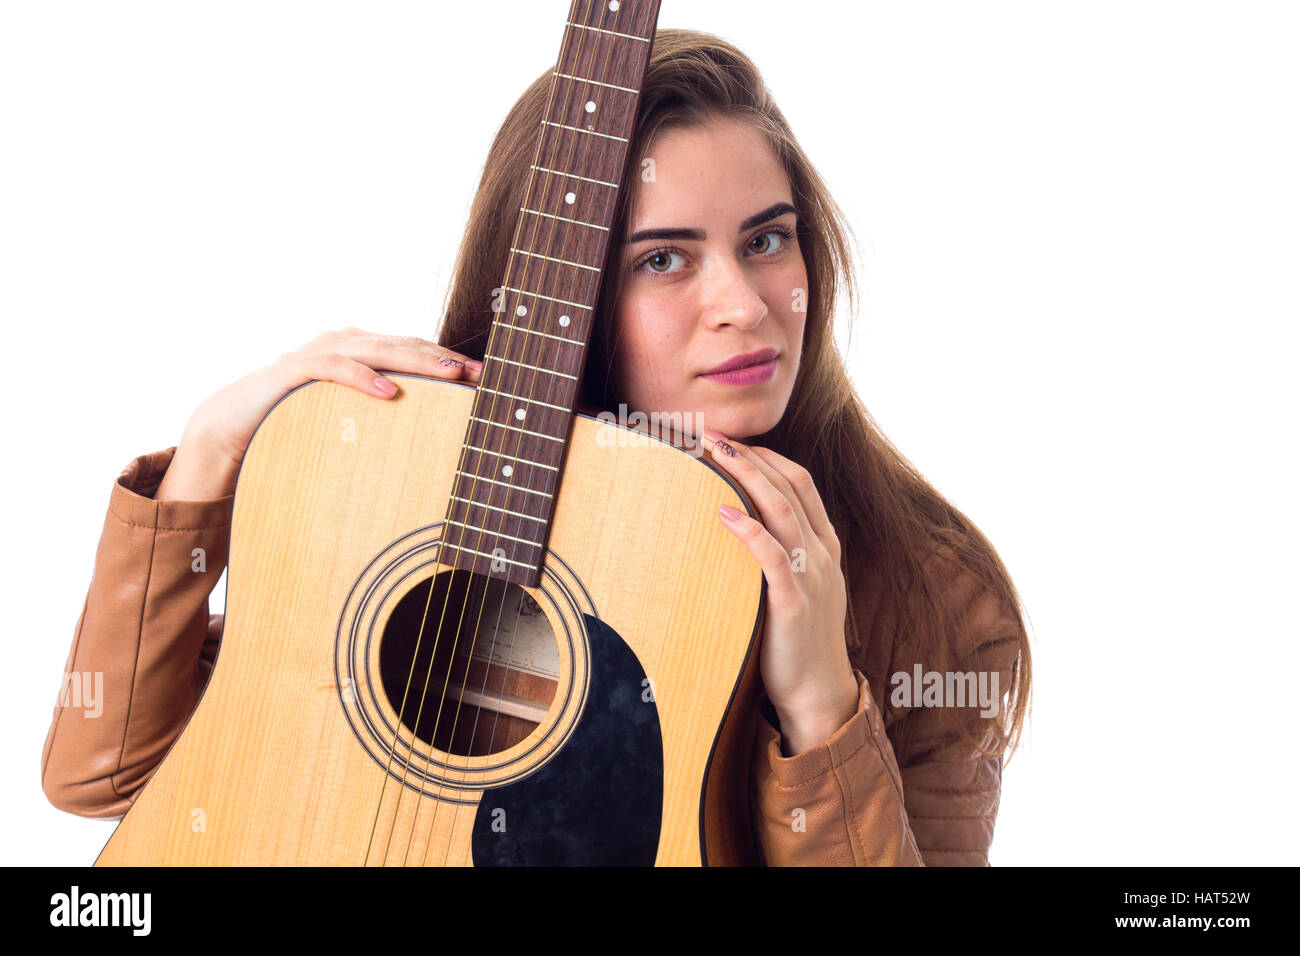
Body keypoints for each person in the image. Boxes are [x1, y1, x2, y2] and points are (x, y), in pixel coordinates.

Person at [41, 28, 1031, 866]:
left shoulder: (934, 598)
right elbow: (102, 775)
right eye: (663, 258)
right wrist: (208, 456)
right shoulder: (387, 484)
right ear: (557, 290)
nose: (741, 304)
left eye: (766, 240)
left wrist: (822, 704)